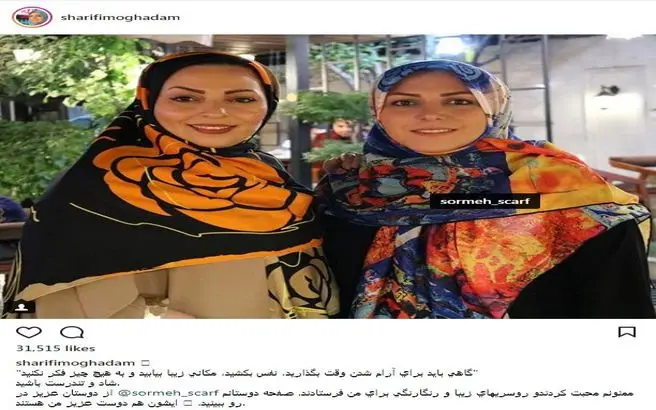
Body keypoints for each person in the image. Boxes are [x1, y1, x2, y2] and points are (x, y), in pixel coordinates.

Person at [2, 51, 339, 319]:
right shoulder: (96, 185)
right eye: (185, 99)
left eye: (241, 99)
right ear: (149, 101)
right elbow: (55, 285)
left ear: (268, 105)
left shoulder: (266, 170)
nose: (216, 112)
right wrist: (154, 320)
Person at [317, 59, 655, 319]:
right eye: (405, 103)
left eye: (458, 101)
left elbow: (622, 314)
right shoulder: (347, 193)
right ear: (379, 113)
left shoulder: (573, 200)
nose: (430, 115)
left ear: (494, 109)